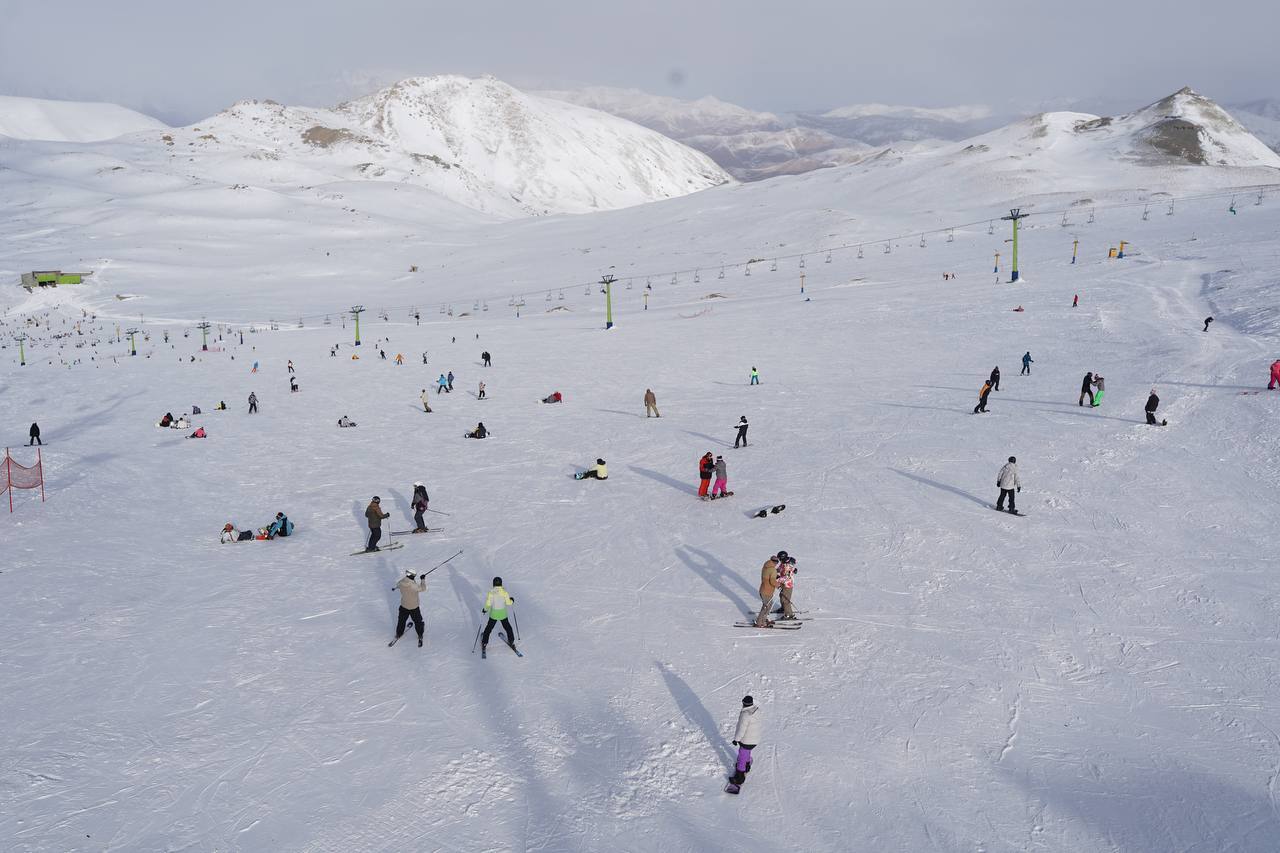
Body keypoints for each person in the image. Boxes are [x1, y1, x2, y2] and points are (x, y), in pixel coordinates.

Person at [480, 577, 519, 655]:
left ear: (493, 584)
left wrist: (485, 609)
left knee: (488, 628)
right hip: (502, 614)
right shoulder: (504, 592)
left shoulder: (491, 593)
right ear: (501, 583)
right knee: (508, 627)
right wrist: (512, 600)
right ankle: (511, 641)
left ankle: (484, 643)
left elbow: (488, 604)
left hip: (494, 614)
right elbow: (508, 603)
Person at [729, 696, 761, 786]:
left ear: (743, 703)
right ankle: (747, 764)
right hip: (755, 739)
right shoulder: (757, 710)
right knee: (747, 752)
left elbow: (741, 729)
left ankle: (739, 777)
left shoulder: (745, 714)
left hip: (747, 740)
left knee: (742, 756)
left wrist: (736, 740)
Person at [392, 570, 427, 647]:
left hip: (404, 606)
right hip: (414, 607)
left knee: (401, 621)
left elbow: (398, 585)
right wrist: (422, 580)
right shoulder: (413, 586)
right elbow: (423, 588)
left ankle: (399, 634)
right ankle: (420, 634)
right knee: (418, 622)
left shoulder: (401, 582)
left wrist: (395, 588)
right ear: (412, 576)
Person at [755, 555, 781, 627]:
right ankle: (760, 622)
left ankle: (764, 619)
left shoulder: (765, 566)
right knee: (766, 607)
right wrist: (778, 585)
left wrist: (775, 574)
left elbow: (768, 575)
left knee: (768, 606)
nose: (777, 563)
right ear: (775, 562)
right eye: (777, 562)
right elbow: (772, 581)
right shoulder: (772, 570)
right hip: (767, 591)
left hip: (763, 589)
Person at [776, 552, 798, 619]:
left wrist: (777, 579)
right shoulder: (784, 562)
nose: (779, 560)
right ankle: (783, 608)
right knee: (781, 596)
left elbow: (787, 577)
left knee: (785, 599)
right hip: (783, 583)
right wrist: (775, 572)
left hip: (788, 584)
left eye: (780, 558)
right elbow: (780, 568)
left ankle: (789, 615)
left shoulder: (788, 565)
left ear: (782, 558)